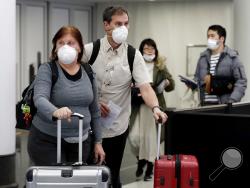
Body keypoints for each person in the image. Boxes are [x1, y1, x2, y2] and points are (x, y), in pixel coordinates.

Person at [83, 6, 168, 188]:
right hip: (88, 126)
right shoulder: (90, 50)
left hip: (116, 126)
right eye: (118, 24)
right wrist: (93, 102)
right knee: (90, 176)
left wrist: (155, 108)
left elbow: (145, 87)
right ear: (106, 25)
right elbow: (74, 81)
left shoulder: (133, 55)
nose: (123, 28)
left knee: (112, 175)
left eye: (126, 24)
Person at [28, 26, 105, 166]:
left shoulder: (88, 70)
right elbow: (39, 98)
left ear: (80, 48)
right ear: (55, 48)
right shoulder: (47, 69)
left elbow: (94, 110)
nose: (65, 47)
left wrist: (98, 142)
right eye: (61, 43)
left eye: (71, 43)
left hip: (82, 141)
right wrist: (55, 111)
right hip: (48, 141)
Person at [129, 38, 175, 181]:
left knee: (151, 140)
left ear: (155, 50)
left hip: (154, 108)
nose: (149, 51)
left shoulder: (160, 66)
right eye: (146, 49)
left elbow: (171, 84)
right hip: (138, 107)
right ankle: (140, 159)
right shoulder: (135, 65)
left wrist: (166, 83)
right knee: (134, 138)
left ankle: (149, 167)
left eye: (152, 49)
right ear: (141, 50)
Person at [194, 24, 247, 106]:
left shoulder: (232, 57)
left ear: (222, 39)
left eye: (212, 36)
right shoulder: (202, 58)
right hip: (204, 106)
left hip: (223, 106)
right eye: (208, 36)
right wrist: (193, 84)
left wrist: (232, 101)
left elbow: (241, 81)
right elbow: (197, 79)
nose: (209, 39)